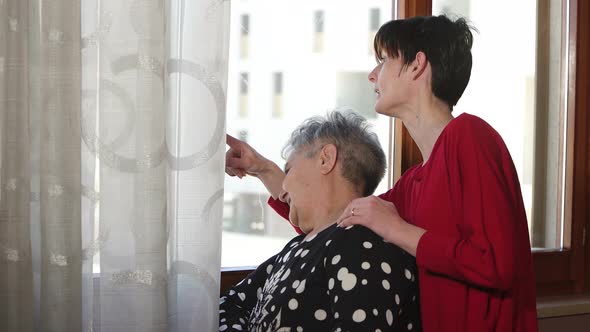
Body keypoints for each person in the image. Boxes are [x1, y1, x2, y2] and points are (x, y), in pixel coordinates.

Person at [225, 15, 538, 332]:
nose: (372, 76)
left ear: (417, 65)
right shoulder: (414, 182)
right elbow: (337, 213)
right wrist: (263, 169)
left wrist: (397, 229)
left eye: (385, 60)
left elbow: (497, 266)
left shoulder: (470, 137)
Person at [220, 111, 421, 332]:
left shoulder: (363, 246)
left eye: (289, 170)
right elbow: (231, 303)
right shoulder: (299, 247)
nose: (284, 188)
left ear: (326, 159)